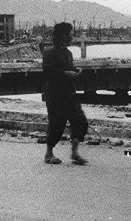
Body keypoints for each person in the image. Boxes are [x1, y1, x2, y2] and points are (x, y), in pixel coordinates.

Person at [42, 22, 88, 165]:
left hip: (69, 93)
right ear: (63, 35)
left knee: (80, 121)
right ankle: (49, 153)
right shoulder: (50, 53)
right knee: (57, 124)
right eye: (70, 34)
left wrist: (75, 70)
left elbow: (68, 68)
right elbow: (48, 73)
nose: (72, 36)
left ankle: (74, 153)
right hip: (55, 94)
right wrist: (66, 73)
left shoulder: (68, 53)